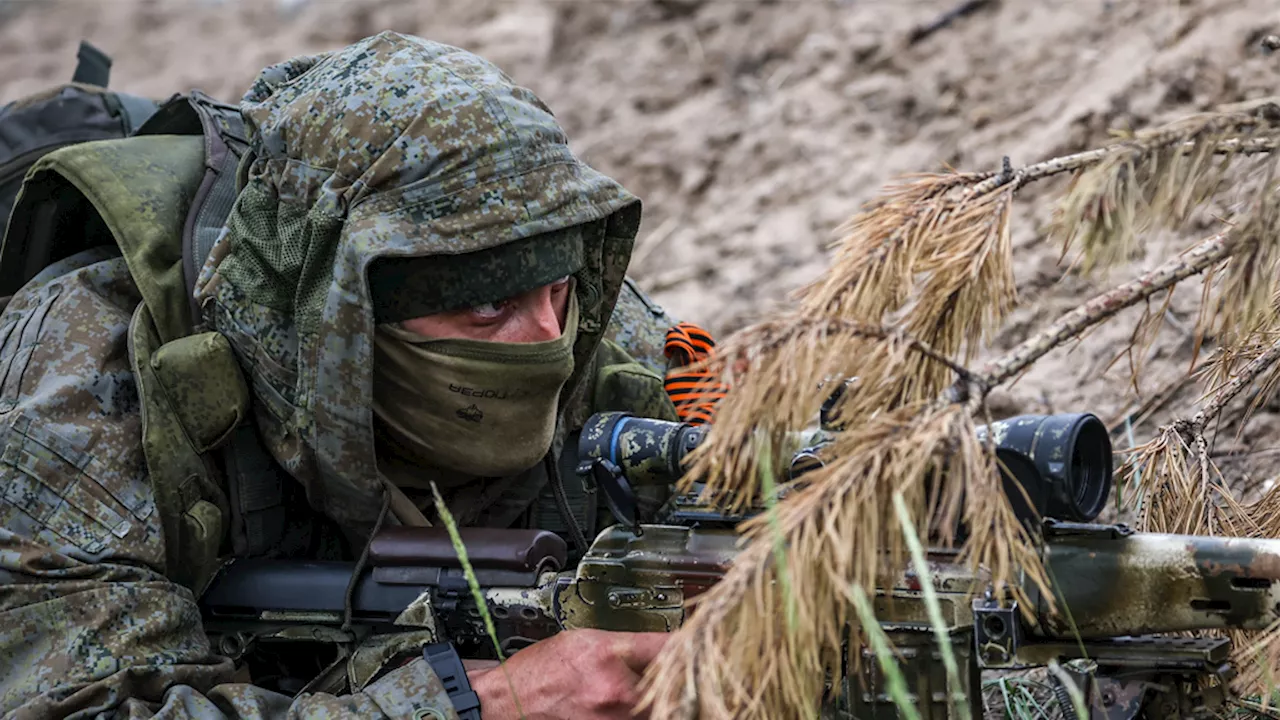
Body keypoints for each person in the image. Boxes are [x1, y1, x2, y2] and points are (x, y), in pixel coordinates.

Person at [0, 31, 695, 719]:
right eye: (489, 304)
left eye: (559, 291)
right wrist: (475, 703)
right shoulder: (87, 376)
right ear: (346, 317)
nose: (550, 340)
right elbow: (78, 707)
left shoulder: (612, 346)